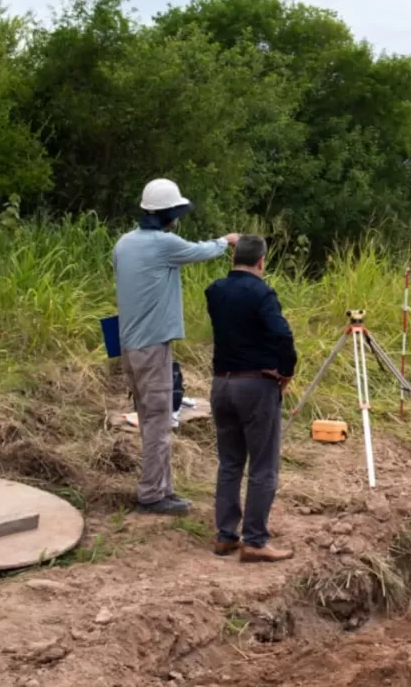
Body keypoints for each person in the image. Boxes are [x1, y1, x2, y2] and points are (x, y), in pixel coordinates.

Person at [112, 178, 238, 516]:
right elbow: (200, 251)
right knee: (159, 421)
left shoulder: (124, 243)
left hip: (129, 345)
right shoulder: (163, 244)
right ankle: (153, 495)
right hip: (152, 346)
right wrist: (226, 241)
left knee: (149, 417)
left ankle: (162, 487)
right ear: (167, 214)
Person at [204, 235, 297, 563]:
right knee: (263, 465)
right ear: (261, 261)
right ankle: (255, 540)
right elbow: (282, 335)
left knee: (230, 462)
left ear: (234, 259)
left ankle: (225, 535)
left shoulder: (215, 291)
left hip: (222, 383)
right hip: (256, 384)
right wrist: (286, 371)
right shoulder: (262, 293)